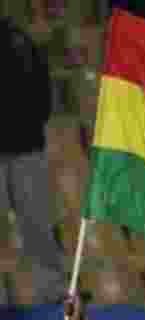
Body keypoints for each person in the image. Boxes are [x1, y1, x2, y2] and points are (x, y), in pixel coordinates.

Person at [0, 14, 67, 305]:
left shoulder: (21, 41)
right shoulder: (22, 39)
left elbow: (42, 89)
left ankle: (51, 287)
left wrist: (34, 123)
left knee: (36, 220)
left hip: (26, 146)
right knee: (33, 221)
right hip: (26, 143)